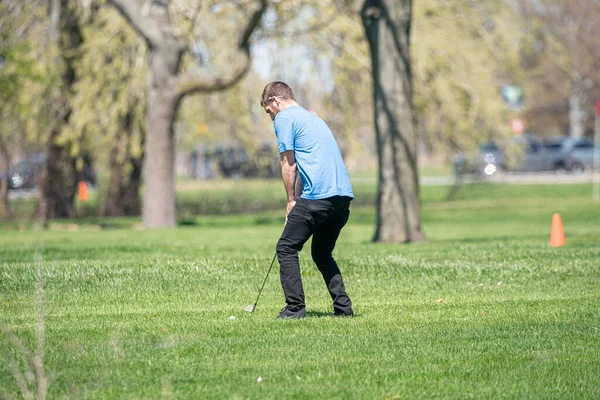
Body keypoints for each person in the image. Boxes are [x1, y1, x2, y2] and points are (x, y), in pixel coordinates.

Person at [260, 81, 355, 319]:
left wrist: (291, 201)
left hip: (319, 197)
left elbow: (288, 163)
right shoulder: (313, 118)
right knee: (322, 254)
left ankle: (295, 308)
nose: (271, 118)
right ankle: (343, 309)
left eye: (268, 112)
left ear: (275, 101)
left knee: (286, 247)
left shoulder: (284, 118)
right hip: (342, 198)